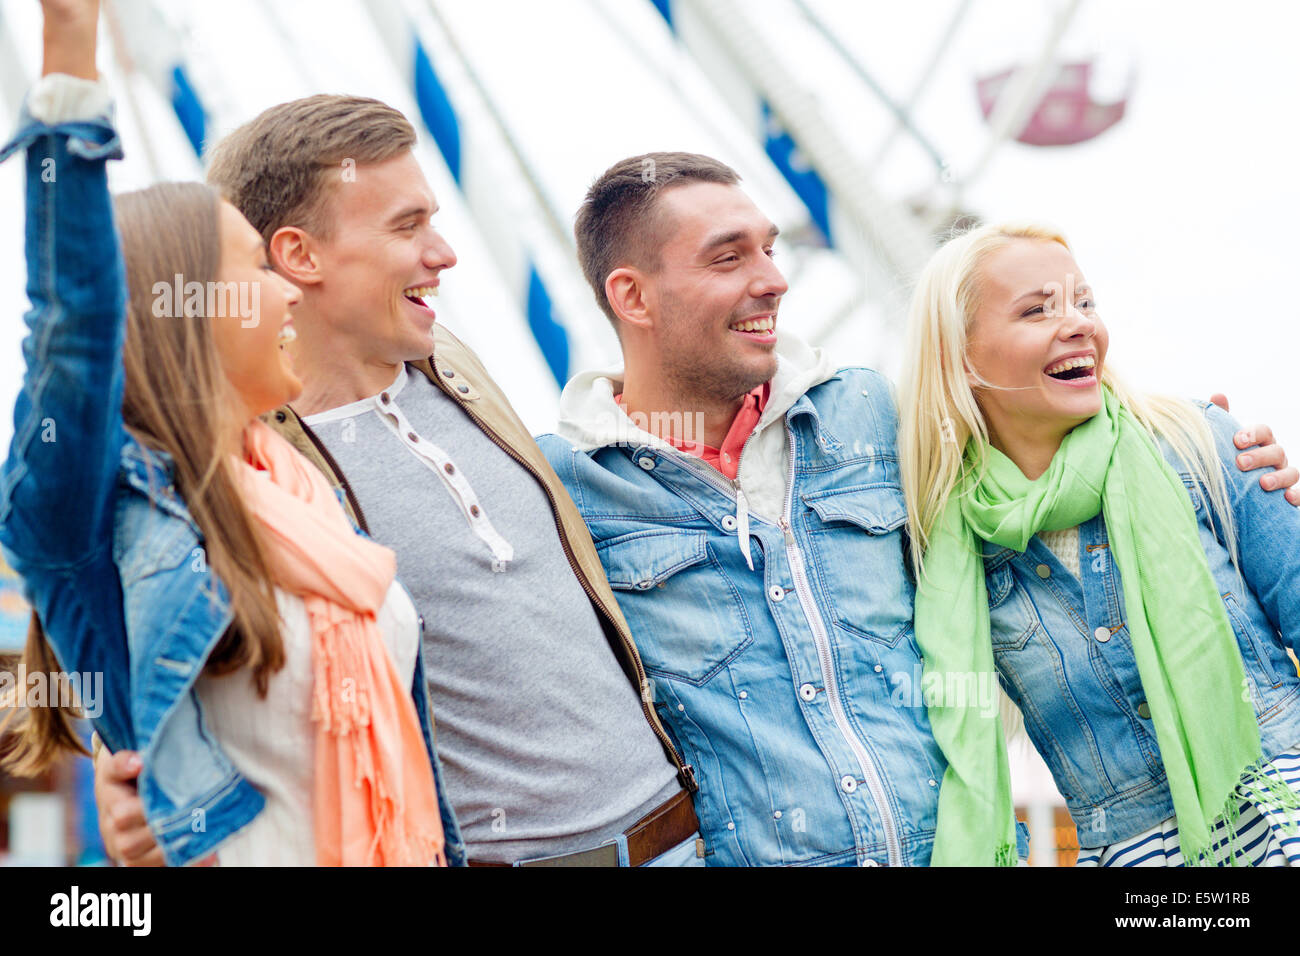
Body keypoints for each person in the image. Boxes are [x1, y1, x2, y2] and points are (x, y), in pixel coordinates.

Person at [535, 152, 1300, 865]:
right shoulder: (564, 492)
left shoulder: (869, 418)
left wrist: (1210, 443)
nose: (773, 279)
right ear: (631, 295)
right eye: (730, 256)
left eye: (771, 248)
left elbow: (1029, 431)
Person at [93, 96, 701, 867]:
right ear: (299, 256)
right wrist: (132, 786)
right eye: (407, 226)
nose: (443, 253)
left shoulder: (451, 362)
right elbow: (141, 648)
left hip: (682, 840)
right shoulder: (247, 472)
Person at [0, 0, 454, 867]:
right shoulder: (104, 522)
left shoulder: (302, 495)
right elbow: (76, 320)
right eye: (256, 267)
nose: (289, 292)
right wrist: (68, 51)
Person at [900, 221, 1300, 866]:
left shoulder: (1199, 442)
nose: (1079, 323)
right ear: (962, 359)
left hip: (1284, 807)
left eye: (1084, 302)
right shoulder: (939, 543)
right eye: (1037, 310)